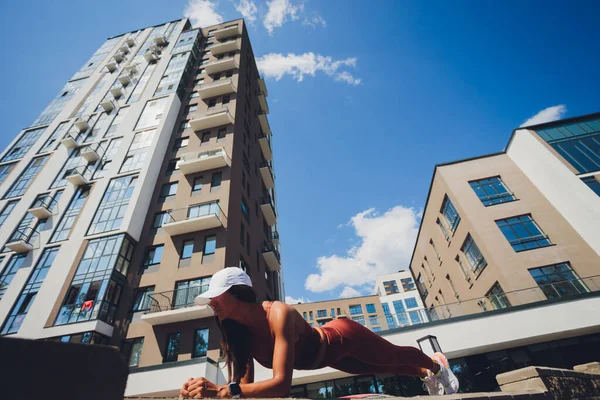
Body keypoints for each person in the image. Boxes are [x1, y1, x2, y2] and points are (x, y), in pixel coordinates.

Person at [179, 268, 458, 398]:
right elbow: (239, 390)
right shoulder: (239, 334)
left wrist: (223, 392)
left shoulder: (279, 313)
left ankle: (435, 364)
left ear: (237, 294)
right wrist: (204, 394)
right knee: (385, 369)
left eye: (216, 296)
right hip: (325, 359)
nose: (211, 303)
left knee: (392, 357)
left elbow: (280, 385)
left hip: (341, 336)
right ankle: (425, 374)